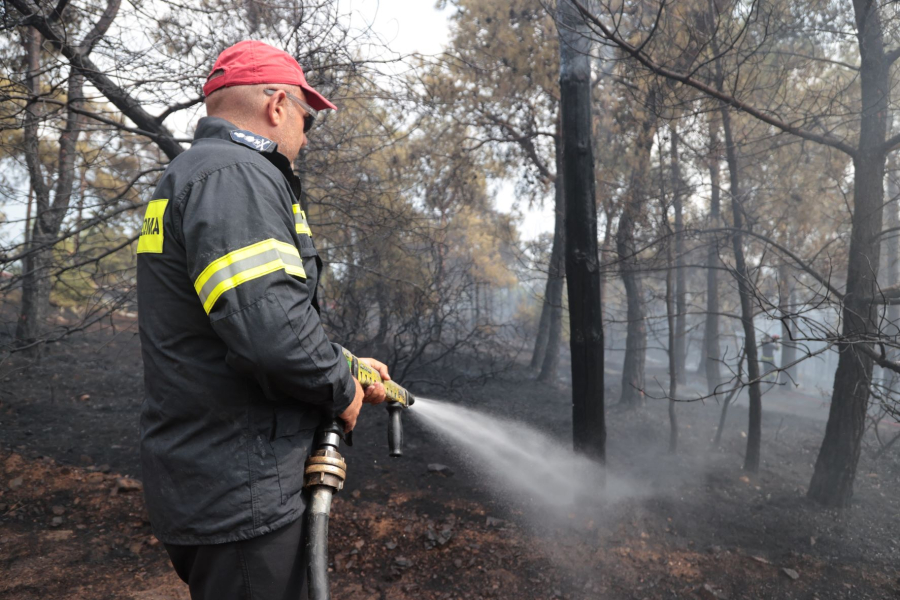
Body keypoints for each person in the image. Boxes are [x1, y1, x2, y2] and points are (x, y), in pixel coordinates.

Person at [136, 40, 389, 600]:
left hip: (214, 473)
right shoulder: (238, 177)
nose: (305, 135)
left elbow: (236, 319)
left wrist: (345, 362)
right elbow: (269, 334)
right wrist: (338, 386)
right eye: (307, 118)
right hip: (240, 485)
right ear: (277, 105)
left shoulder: (194, 173)